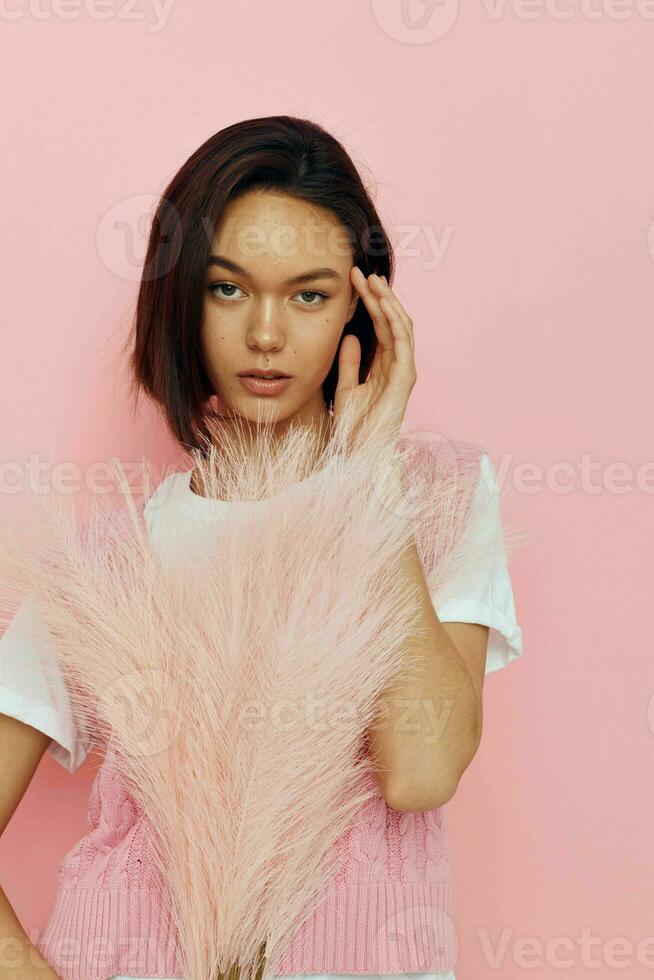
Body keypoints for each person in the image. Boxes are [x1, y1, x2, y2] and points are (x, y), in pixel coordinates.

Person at [0, 115, 523, 980]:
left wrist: (366, 483)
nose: (268, 336)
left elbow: (421, 772)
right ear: (182, 297)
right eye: (229, 289)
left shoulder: (438, 497)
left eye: (309, 294)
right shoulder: (109, 561)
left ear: (365, 306)